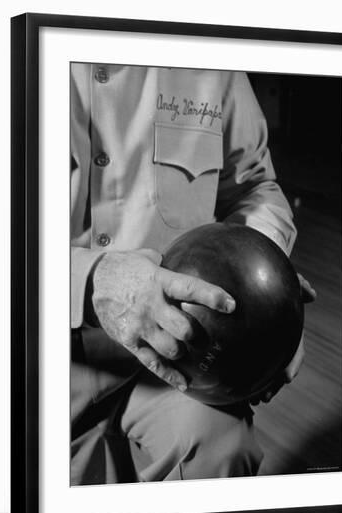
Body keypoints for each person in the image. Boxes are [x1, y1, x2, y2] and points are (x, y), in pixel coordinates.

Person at [70, 63, 315, 484]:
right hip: (28, 347)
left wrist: (263, 299)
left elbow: (256, 185)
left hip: (179, 355)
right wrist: (88, 279)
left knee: (224, 447)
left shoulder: (209, 58)